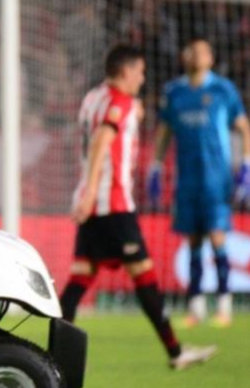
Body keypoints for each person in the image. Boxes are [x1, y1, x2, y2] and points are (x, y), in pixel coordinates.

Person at [61, 44, 215, 370]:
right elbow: (103, 140)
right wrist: (91, 192)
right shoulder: (122, 101)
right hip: (112, 203)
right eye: (140, 72)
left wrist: (86, 194)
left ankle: (52, 358)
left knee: (79, 280)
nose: (142, 78)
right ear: (126, 72)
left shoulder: (93, 97)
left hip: (93, 201)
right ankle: (175, 351)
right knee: (144, 277)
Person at [148, 36, 250, 327]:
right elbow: (164, 131)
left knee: (217, 237)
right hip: (187, 178)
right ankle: (196, 307)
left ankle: (224, 305)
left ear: (210, 58)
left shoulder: (223, 89)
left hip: (216, 178)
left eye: (201, 51)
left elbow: (244, 128)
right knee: (193, 241)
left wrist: (247, 164)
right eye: (191, 50)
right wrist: (155, 166)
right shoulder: (175, 91)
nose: (195, 55)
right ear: (185, 57)